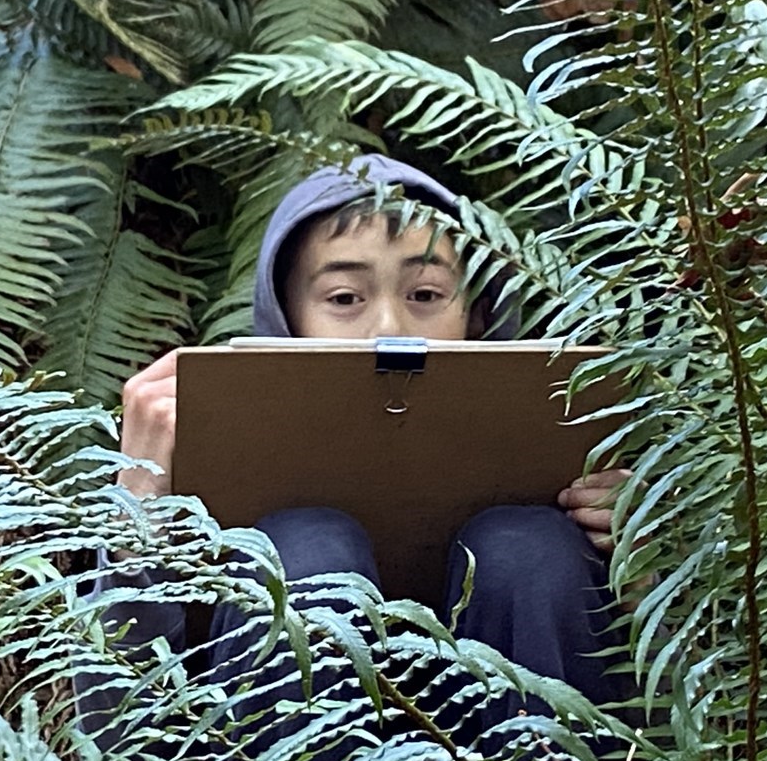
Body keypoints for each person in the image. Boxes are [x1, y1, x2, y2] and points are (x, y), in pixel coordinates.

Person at [112, 155, 628, 696]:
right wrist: (137, 513)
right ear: (287, 322)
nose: (388, 328)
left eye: (425, 294)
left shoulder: (575, 432)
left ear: (478, 318)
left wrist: (639, 573)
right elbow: (117, 733)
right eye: (344, 299)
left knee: (528, 546)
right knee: (303, 548)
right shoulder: (202, 451)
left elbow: (682, 731)